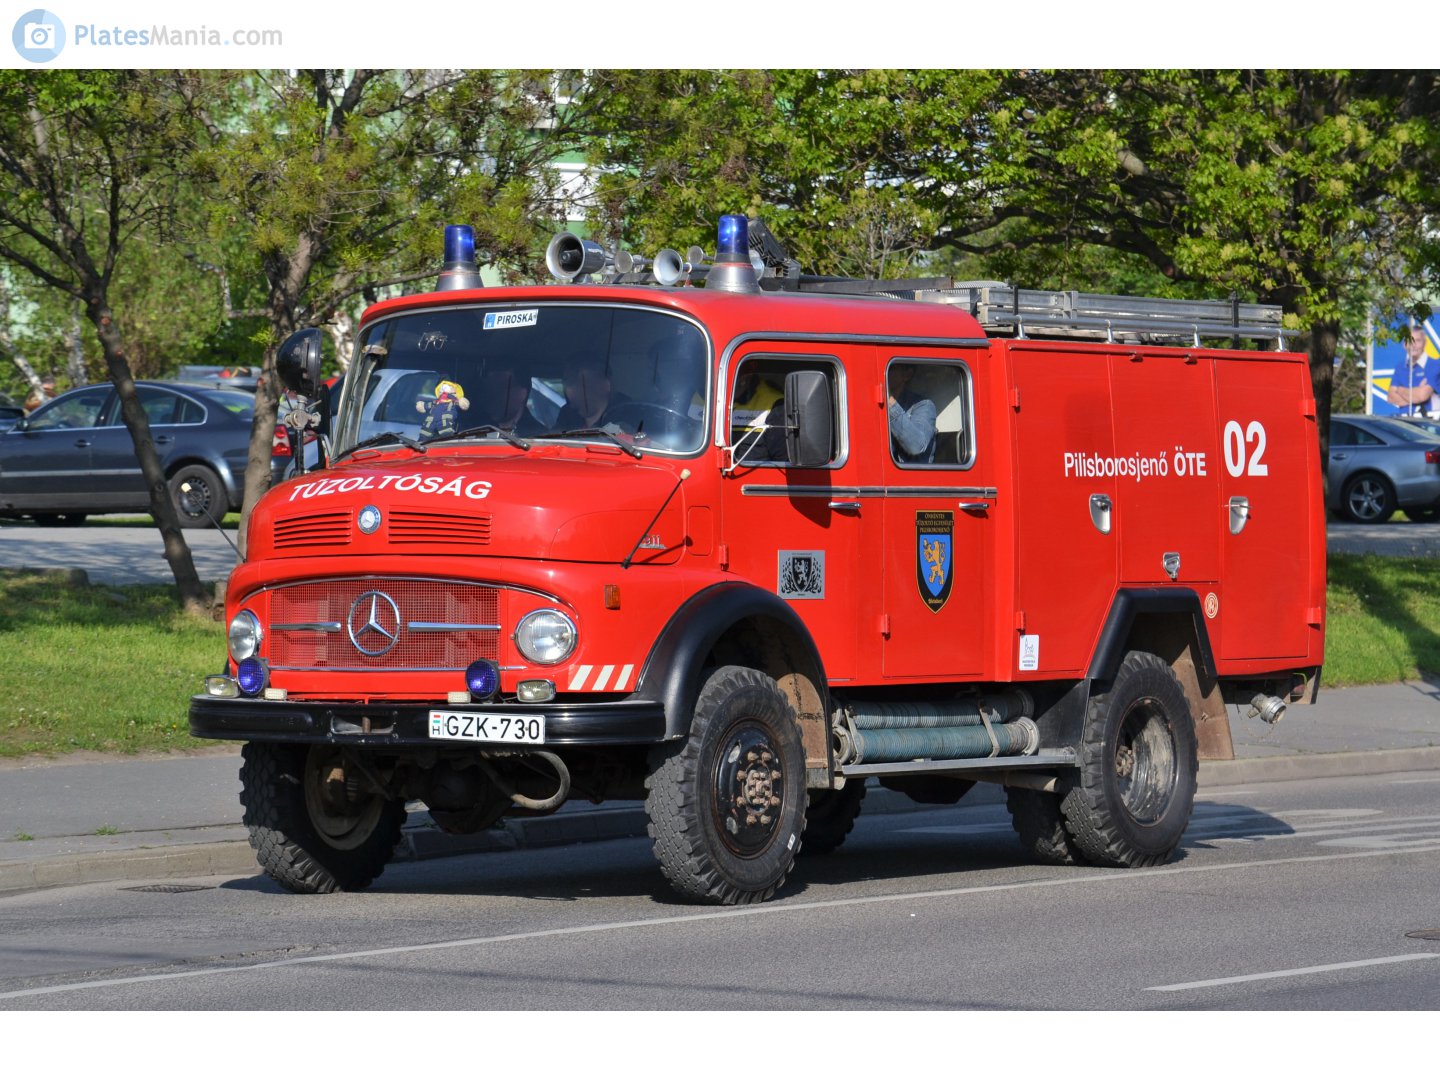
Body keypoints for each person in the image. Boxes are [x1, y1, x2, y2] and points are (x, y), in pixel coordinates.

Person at [555, 357, 629, 431]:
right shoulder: (568, 413)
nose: (573, 390)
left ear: (605, 385)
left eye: (582, 383)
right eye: (569, 383)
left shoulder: (627, 412)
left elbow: (623, 435)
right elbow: (556, 434)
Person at [888, 363, 937, 462]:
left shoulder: (924, 405)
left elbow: (916, 446)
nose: (885, 372)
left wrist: (888, 400)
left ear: (907, 375)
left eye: (891, 368)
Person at [1387, 325, 1435, 415]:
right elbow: (1391, 398)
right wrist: (1415, 393)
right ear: (1404, 344)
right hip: (1404, 422)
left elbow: (1421, 396)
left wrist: (1400, 390)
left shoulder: (1435, 365)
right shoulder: (1400, 368)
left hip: (1428, 422)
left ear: (1425, 343)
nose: (1413, 345)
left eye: (1418, 340)